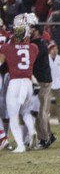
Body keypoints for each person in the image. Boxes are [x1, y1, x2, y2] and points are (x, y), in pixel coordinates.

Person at [0, 25, 39, 153]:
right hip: (27, 83)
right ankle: (32, 131)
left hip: (15, 83)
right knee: (25, 112)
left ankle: (20, 145)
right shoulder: (34, 48)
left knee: (13, 116)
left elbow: (1, 62)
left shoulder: (7, 47)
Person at [30, 24, 54, 149]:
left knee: (40, 112)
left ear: (38, 32)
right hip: (43, 80)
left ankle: (44, 139)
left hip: (42, 81)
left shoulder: (38, 45)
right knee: (42, 111)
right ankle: (49, 135)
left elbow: (32, 61)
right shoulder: (40, 43)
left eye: (32, 30)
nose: (30, 31)